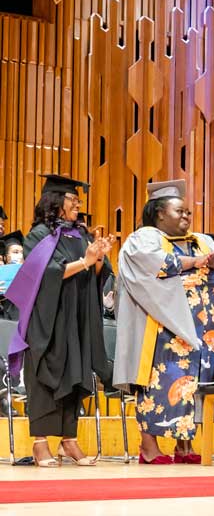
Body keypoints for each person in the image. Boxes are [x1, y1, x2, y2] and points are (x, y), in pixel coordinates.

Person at [114, 179, 214, 465]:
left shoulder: (202, 240)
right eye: (179, 211)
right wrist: (197, 263)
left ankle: (184, 445)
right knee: (157, 385)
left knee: (194, 387)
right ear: (159, 213)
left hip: (203, 331)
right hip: (161, 329)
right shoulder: (144, 238)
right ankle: (148, 447)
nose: (186, 217)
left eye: (188, 212)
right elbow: (155, 264)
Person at [6, 174, 114, 467]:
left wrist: (100, 258)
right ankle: (40, 442)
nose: (78, 204)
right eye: (72, 200)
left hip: (77, 315)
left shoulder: (80, 233)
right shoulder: (38, 235)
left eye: (78, 200)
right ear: (55, 202)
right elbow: (43, 274)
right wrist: (85, 262)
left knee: (75, 373)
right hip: (48, 317)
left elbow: (96, 273)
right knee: (45, 373)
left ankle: (69, 440)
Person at [0, 231, 25, 320]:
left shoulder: (28, 274)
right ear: (5, 257)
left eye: (22, 252)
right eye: (15, 252)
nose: (20, 255)